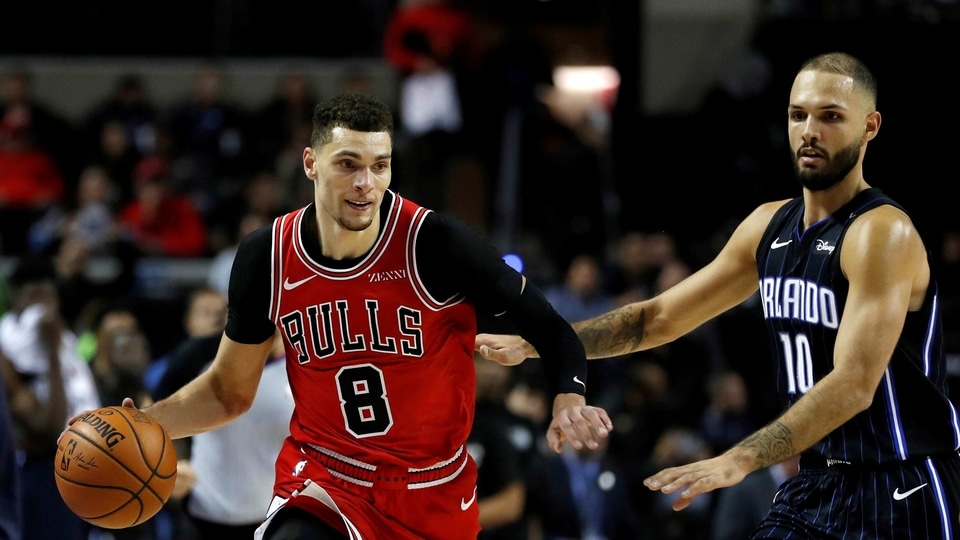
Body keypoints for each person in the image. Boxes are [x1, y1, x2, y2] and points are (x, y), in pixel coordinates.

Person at [68, 92, 612, 540]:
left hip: (431, 491)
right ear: (311, 163)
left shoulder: (436, 245)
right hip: (326, 477)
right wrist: (145, 423)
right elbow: (229, 392)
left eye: (380, 166)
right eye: (348, 164)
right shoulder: (268, 256)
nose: (365, 184)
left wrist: (568, 395)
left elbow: (550, 326)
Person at [477, 51, 960, 537]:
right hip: (816, 479)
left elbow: (855, 384)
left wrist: (738, 459)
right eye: (799, 115)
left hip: (900, 485)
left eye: (831, 116)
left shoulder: (882, 232)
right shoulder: (768, 227)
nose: (810, 130)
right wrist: (540, 343)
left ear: (870, 126)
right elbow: (658, 318)